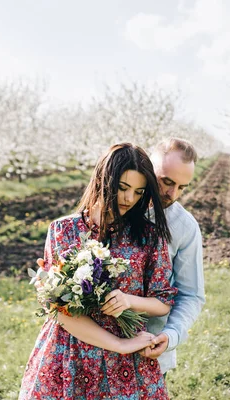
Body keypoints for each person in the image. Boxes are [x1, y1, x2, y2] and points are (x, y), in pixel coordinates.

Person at [19, 143, 177, 400]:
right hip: (69, 353)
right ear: (103, 181)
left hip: (127, 365)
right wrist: (120, 345)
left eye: (138, 192)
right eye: (123, 188)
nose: (129, 199)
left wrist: (127, 300)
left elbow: (163, 302)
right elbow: (58, 309)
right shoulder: (63, 230)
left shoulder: (148, 236)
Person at [140, 137, 205, 375]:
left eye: (182, 187)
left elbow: (191, 294)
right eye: (166, 181)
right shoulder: (116, 210)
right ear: (148, 168)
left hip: (150, 351)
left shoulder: (185, 227)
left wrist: (171, 335)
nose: (172, 193)